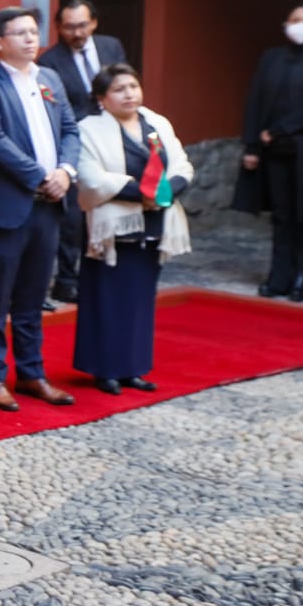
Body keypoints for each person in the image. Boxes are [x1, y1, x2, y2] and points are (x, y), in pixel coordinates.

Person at [0, 6, 80, 412]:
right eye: (20, 33)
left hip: (49, 205)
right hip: (6, 205)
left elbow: (70, 129)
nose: (31, 39)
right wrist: (40, 176)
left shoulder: (50, 78)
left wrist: (65, 172)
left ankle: (31, 372)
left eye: (34, 31)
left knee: (33, 295)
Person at [74, 63, 193, 394]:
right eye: (119, 89)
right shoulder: (88, 129)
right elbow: (91, 178)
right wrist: (143, 194)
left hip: (156, 221)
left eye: (133, 87)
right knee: (107, 299)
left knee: (140, 300)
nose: (129, 94)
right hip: (112, 227)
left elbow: (182, 165)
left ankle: (133, 368)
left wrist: (166, 191)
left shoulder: (156, 123)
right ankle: (105, 370)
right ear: (102, 98)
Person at [234, 2, 303, 303]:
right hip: (272, 150)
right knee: (281, 216)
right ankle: (278, 276)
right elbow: (256, 101)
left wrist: (280, 129)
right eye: (296, 19)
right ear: (285, 24)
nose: (301, 24)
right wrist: (252, 145)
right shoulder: (271, 58)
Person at [38, 0, 127, 305]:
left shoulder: (111, 47)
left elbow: (124, 83)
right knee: (73, 216)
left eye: (82, 25)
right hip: (76, 142)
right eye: (69, 27)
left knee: (110, 203)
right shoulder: (50, 61)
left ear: (94, 23)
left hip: (111, 138)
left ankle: (103, 270)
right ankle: (67, 279)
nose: (76, 33)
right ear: (58, 27)